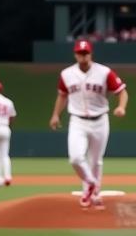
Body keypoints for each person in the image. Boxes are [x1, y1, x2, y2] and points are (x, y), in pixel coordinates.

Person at [49, 39, 128, 209]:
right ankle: (91, 182)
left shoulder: (104, 72)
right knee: (76, 158)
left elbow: (121, 92)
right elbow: (62, 95)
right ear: (75, 54)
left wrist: (121, 107)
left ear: (91, 54)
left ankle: (92, 194)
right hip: (77, 121)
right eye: (80, 53)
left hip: (100, 120)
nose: (83, 57)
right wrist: (56, 115)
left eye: (85, 53)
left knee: (96, 160)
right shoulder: (66, 74)